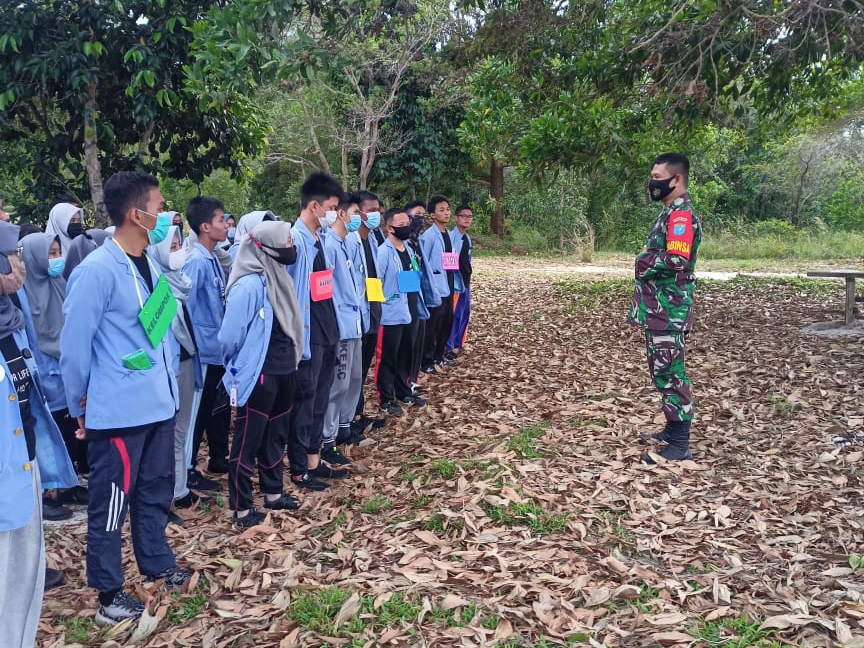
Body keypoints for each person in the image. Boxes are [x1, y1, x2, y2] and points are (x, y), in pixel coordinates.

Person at [60, 171, 193, 626]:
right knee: (111, 502)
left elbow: (155, 329)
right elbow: (75, 346)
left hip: (157, 402)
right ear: (137, 214)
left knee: (155, 491)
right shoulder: (96, 270)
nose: (164, 215)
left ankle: (156, 561)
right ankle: (109, 593)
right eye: (158, 205)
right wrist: (79, 402)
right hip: (118, 410)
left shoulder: (149, 264)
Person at [0, 220, 78, 647]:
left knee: (21, 580)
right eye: (5, 256)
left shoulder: (11, 318)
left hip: (23, 458)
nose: (16, 266)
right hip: (4, 471)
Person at [220, 220, 304, 526]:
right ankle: (241, 508)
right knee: (247, 439)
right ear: (265, 248)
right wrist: (237, 366)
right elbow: (229, 336)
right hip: (260, 374)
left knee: (276, 434)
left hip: (285, 367)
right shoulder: (248, 284)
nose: (289, 249)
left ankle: (273, 493)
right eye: (284, 245)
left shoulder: (278, 276)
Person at [628, 152, 702, 463]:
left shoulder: (681, 217)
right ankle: (672, 430)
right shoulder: (668, 213)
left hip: (669, 309)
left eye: (658, 178)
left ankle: (680, 445)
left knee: (672, 373)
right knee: (662, 371)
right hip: (659, 309)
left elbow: (677, 259)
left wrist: (642, 262)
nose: (652, 183)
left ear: (677, 180)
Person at [19, 233, 89, 506]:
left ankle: (70, 484)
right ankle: (52, 492)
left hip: (66, 368)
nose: (56, 259)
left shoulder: (60, 282)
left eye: (58, 252)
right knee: (51, 431)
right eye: (50, 253)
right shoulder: (23, 291)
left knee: (72, 427)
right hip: (44, 370)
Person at [287, 173, 345, 491]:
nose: (335, 214)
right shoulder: (294, 241)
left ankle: (313, 457)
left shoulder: (318, 239)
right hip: (308, 334)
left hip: (327, 326)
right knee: (305, 401)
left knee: (320, 397)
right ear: (314, 206)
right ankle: (298, 468)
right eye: (332, 207)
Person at [146, 225, 207, 512]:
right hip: (170, 369)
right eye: (170, 247)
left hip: (186, 363)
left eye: (178, 245)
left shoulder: (180, 282)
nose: (178, 252)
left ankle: (180, 489)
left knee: (182, 429)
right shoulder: (156, 288)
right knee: (169, 432)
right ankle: (168, 493)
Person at [184, 196, 231, 479]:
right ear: (204, 226)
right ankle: (187, 469)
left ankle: (217, 459)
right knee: (196, 415)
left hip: (216, 349)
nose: (225, 225)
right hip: (201, 351)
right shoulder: (196, 261)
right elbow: (185, 308)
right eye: (220, 220)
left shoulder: (211, 257)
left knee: (216, 410)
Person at [321, 196, 365, 465]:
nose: (358, 217)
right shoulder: (329, 246)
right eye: (355, 212)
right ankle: (328, 439)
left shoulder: (348, 242)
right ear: (340, 214)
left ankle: (344, 426)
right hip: (341, 326)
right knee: (337, 385)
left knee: (354, 379)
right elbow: (327, 290)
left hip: (355, 323)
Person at [376, 209, 423, 416]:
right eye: (402, 224)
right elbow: (375, 283)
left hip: (409, 309)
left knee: (406, 353)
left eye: (408, 223)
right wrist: (379, 307)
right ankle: (385, 398)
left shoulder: (409, 250)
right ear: (390, 227)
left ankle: (403, 391)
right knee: (388, 357)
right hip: (390, 312)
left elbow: (413, 278)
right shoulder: (383, 252)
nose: (407, 227)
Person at [350, 201, 387, 437]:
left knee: (363, 366)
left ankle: (359, 412)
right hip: (357, 313)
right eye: (371, 210)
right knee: (353, 371)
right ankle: (350, 418)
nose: (377, 215)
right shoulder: (351, 240)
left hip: (373, 306)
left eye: (379, 211)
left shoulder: (372, 239)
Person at [420, 195, 456, 373]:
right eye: (441, 210)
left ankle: (439, 356)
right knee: (433, 322)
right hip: (435, 285)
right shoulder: (429, 236)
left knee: (447, 320)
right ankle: (426, 361)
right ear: (432, 215)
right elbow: (424, 262)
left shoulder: (448, 235)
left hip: (448, 281)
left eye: (448, 209)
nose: (446, 213)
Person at [446, 205, 474, 358]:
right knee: (454, 314)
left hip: (466, 280)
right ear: (456, 218)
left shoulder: (467, 238)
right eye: (463, 216)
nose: (467, 219)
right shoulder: (450, 237)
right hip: (455, 282)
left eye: (469, 217)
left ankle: (458, 343)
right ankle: (449, 346)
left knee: (465, 312)